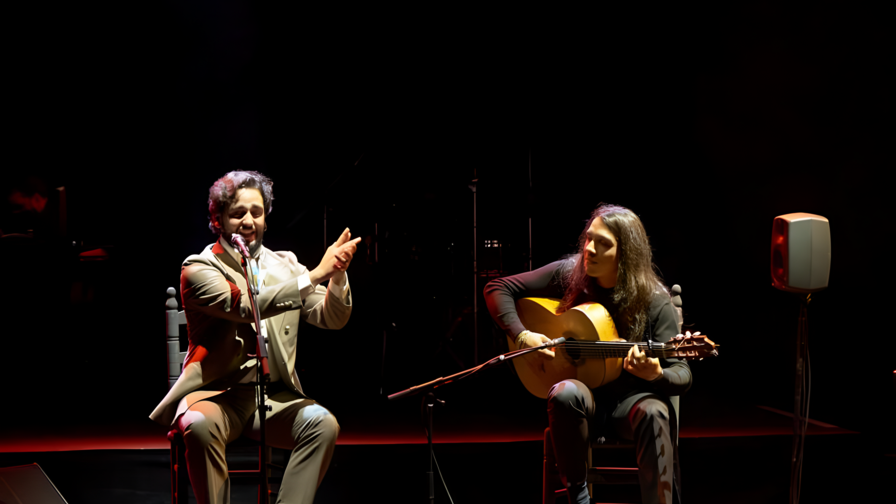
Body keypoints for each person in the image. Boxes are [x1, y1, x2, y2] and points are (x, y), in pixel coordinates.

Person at [150, 171, 361, 504]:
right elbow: (246, 306)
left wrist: (336, 275)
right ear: (217, 219)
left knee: (323, 425)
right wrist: (317, 272)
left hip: (273, 398)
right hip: (215, 396)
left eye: (257, 212)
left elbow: (331, 317)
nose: (249, 221)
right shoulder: (198, 268)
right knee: (199, 426)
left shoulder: (286, 265)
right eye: (238, 213)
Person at [484, 203, 692, 504]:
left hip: (630, 407)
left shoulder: (655, 300)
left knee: (655, 411)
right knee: (564, 393)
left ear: (626, 254)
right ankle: (580, 499)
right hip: (585, 407)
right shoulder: (572, 273)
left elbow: (683, 375)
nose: (590, 250)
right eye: (589, 239)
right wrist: (522, 334)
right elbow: (497, 287)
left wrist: (656, 373)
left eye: (603, 243)